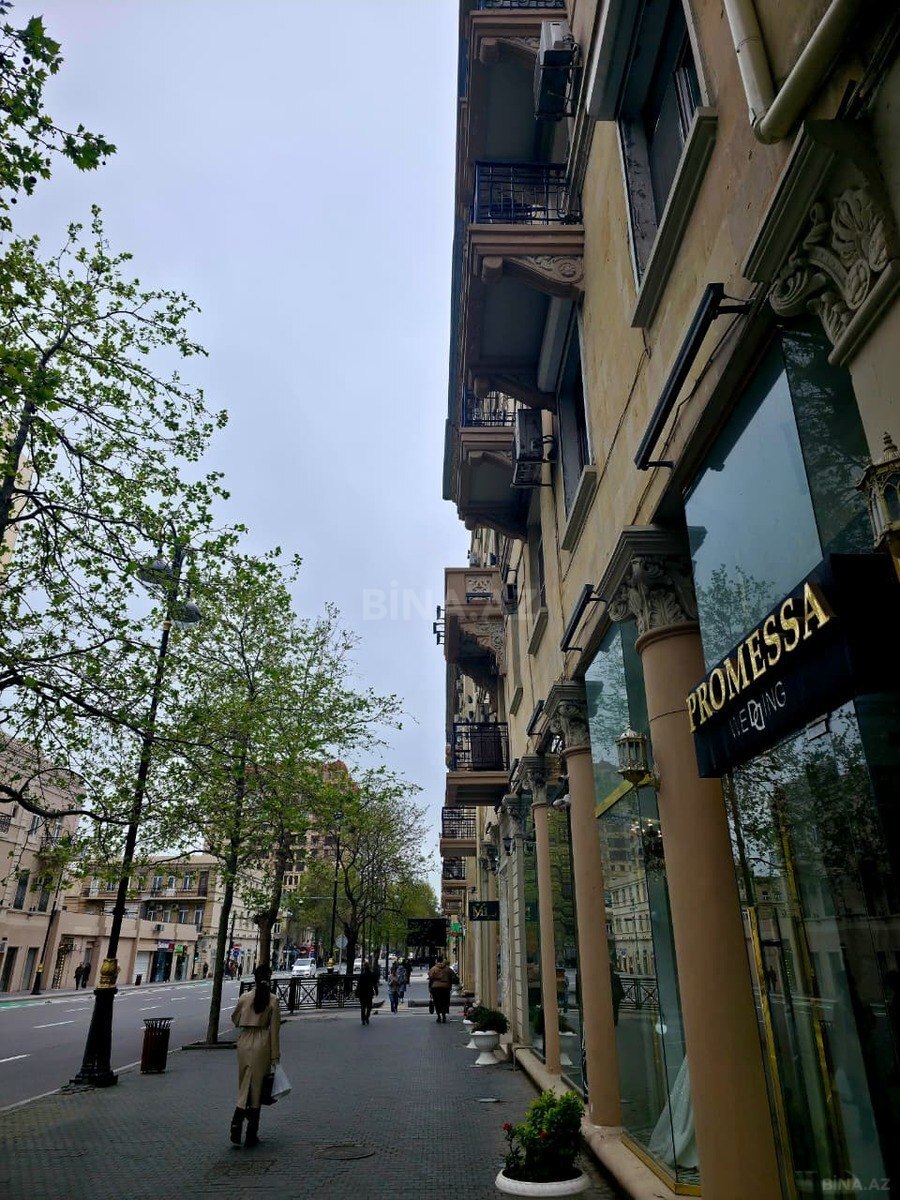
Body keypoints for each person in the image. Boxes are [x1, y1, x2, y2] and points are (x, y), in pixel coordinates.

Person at [230, 964, 280, 1148]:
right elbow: (274, 1031)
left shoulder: (245, 997)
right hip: (262, 1043)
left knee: (244, 1084)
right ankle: (251, 1133)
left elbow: (235, 1019)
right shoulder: (273, 1000)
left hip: (244, 1042)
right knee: (257, 1088)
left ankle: (236, 1125)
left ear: (255, 979)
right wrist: (275, 1056)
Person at [428, 956, 454, 1023]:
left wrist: (430, 988)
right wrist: (450, 986)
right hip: (446, 987)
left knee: (437, 1002)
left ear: (436, 961)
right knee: (445, 1001)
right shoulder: (448, 968)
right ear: (443, 960)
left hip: (435, 988)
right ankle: (444, 1015)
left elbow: (430, 977)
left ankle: (439, 1016)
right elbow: (452, 976)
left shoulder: (433, 968)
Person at [356, 959, 377, 1025]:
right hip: (369, 993)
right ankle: (367, 1017)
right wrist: (376, 990)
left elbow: (358, 985)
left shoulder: (362, 975)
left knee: (363, 1007)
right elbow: (374, 984)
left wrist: (357, 992)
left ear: (364, 967)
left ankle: (363, 1019)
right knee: (369, 1006)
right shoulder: (371, 974)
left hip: (362, 992)